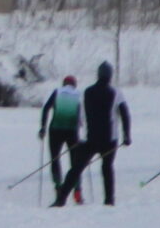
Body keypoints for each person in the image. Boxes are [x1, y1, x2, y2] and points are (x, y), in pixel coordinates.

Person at [54, 62, 133, 207]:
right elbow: (125, 114)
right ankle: (109, 200)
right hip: (110, 139)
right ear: (110, 76)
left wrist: (79, 132)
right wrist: (127, 135)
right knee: (107, 168)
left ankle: (61, 199)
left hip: (90, 139)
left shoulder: (87, 91)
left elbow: (81, 114)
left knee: (76, 169)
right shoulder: (116, 92)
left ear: (98, 74)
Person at [39, 73, 84, 202]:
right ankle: (77, 191)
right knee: (75, 162)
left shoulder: (57, 92)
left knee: (55, 159)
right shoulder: (77, 95)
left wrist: (43, 127)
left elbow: (46, 109)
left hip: (55, 131)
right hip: (72, 132)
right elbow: (81, 117)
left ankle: (58, 188)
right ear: (74, 84)